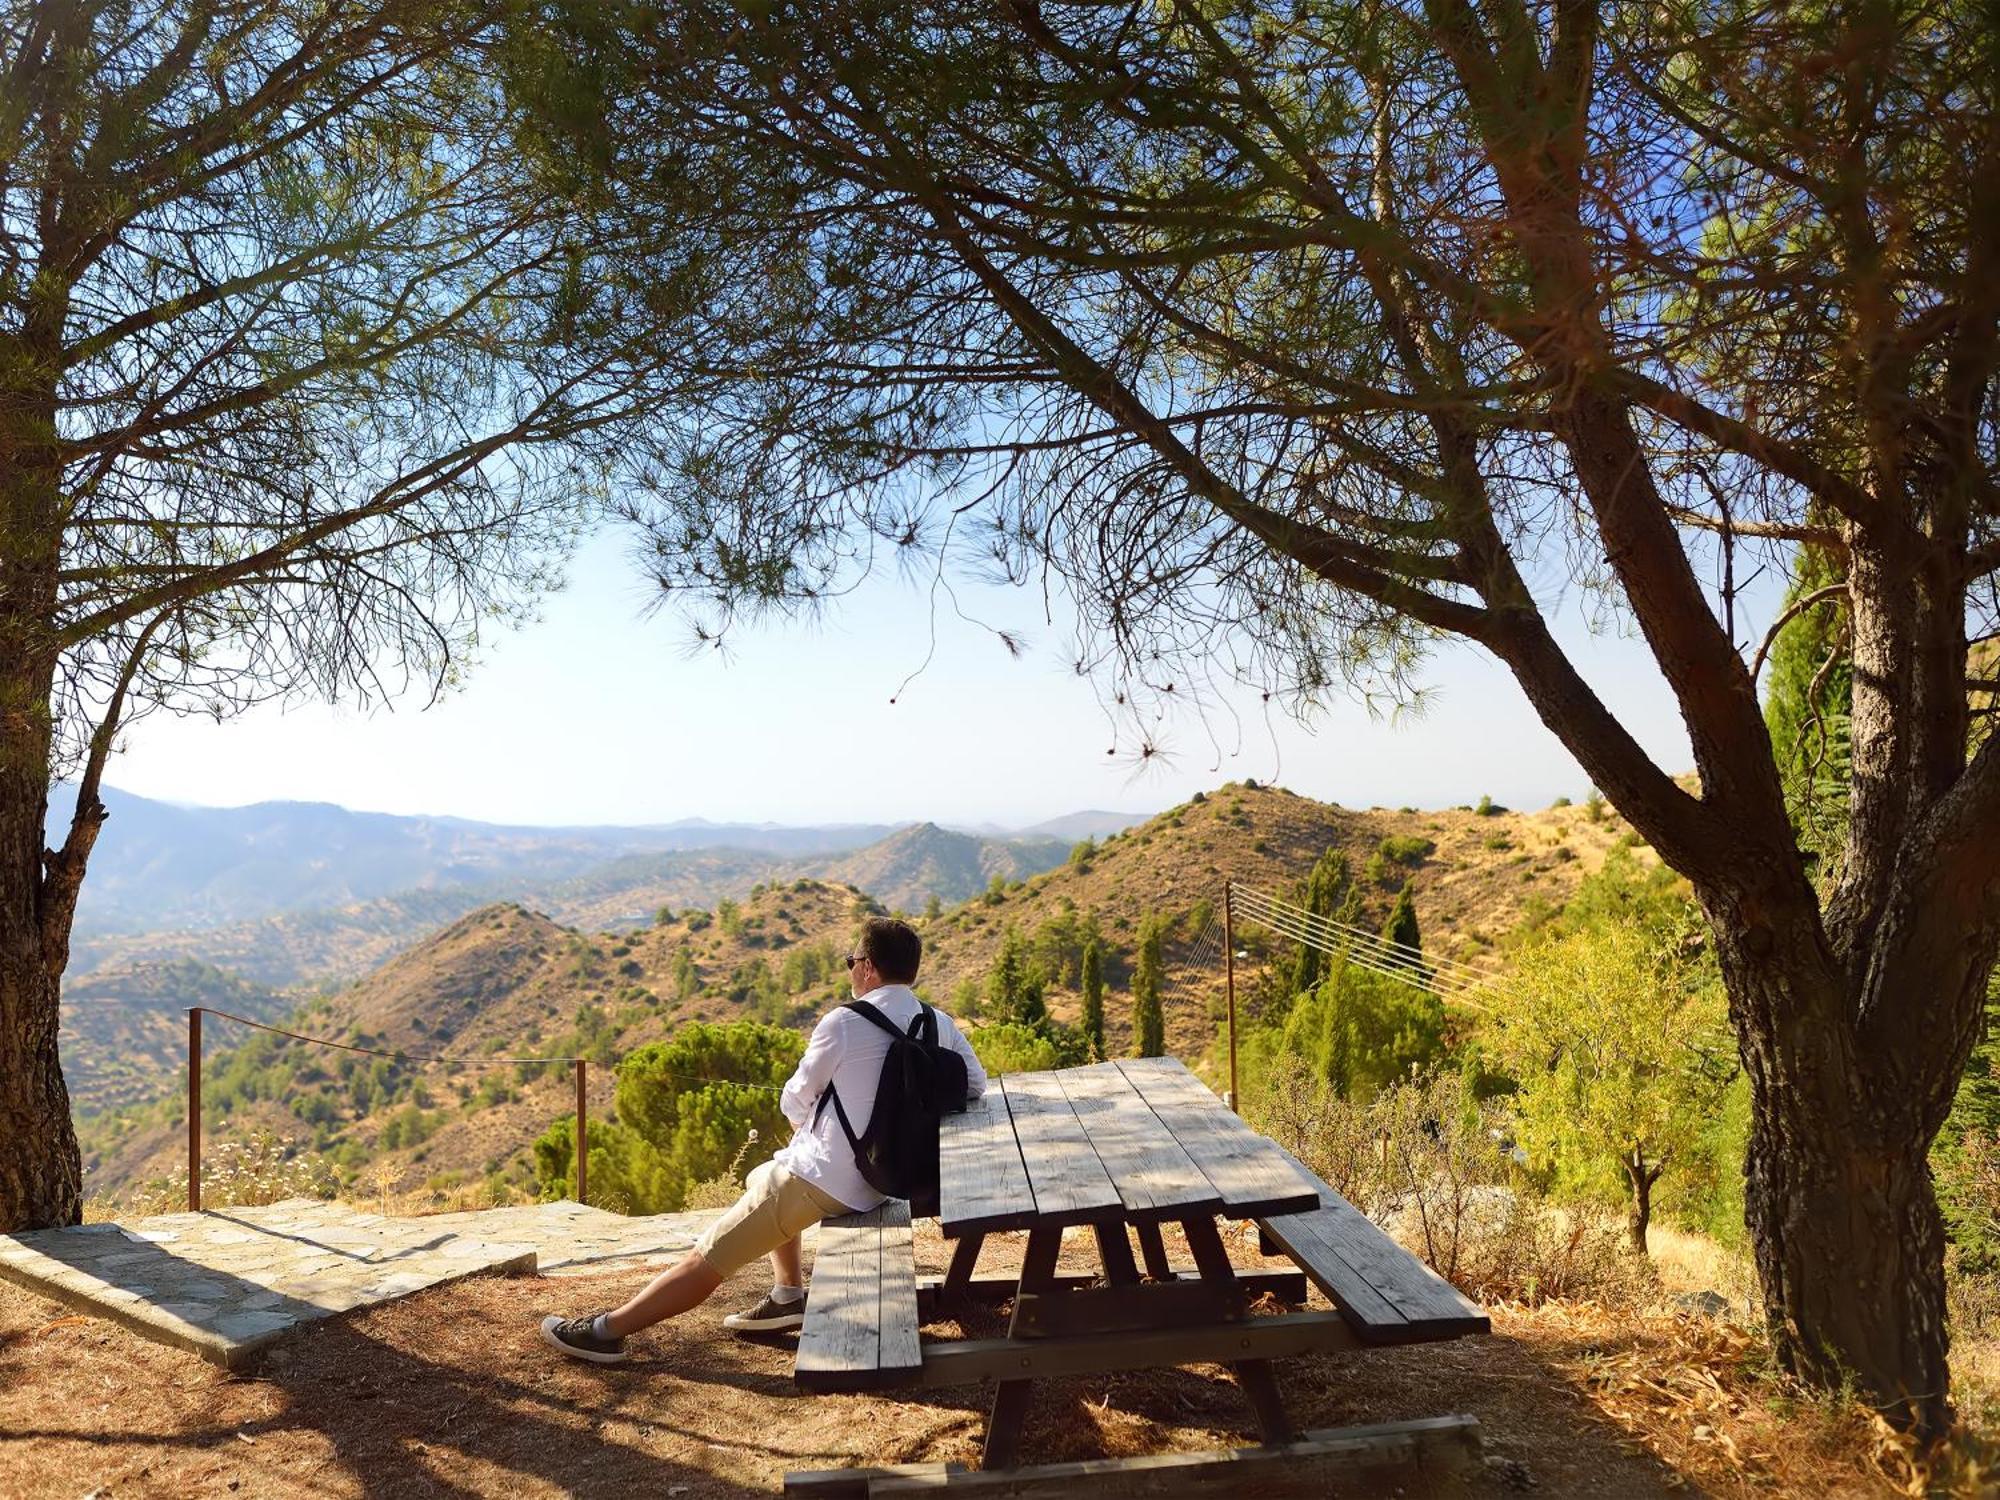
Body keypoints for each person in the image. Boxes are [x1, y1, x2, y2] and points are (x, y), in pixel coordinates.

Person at [539, 915, 986, 1363]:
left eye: (851, 961)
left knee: (709, 1256)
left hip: (828, 1180)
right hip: (889, 1177)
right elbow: (974, 1084)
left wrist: (816, 1127)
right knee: (762, 1174)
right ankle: (788, 1295)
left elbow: (794, 1100)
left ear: (868, 967)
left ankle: (606, 1332)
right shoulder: (937, 1022)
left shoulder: (843, 1023)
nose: (850, 969)